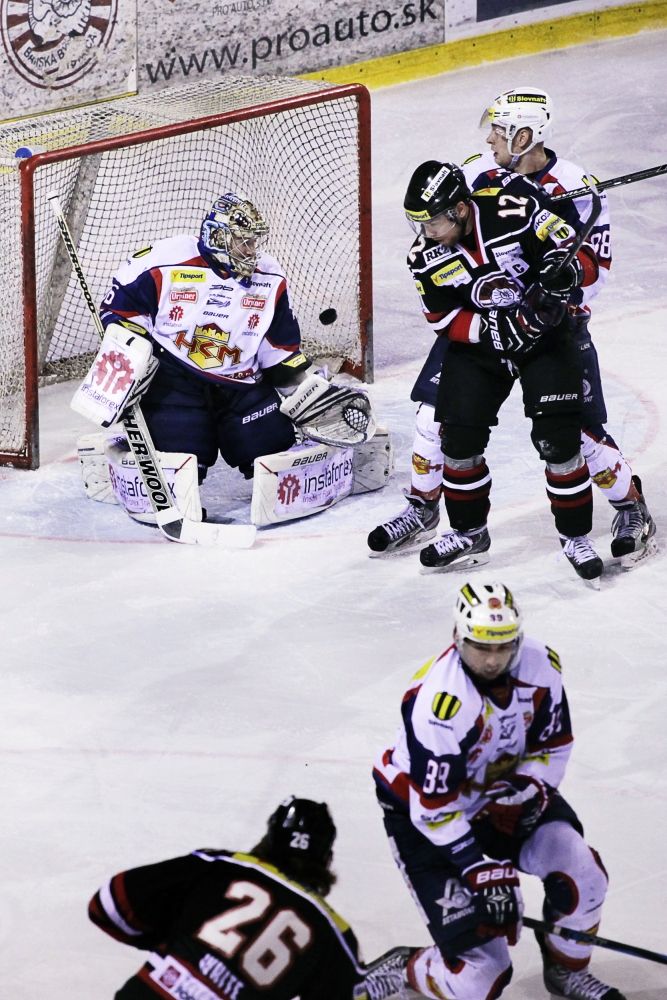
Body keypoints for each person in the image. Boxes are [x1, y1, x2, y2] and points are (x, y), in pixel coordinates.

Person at [373, 579, 626, 1000]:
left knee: (584, 875)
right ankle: (409, 966)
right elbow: (433, 806)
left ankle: (566, 971)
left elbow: (554, 744)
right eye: (481, 647)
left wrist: (532, 789)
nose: (493, 660)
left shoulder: (542, 665)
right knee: (480, 980)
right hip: (428, 814)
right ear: (457, 638)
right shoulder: (440, 702)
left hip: (499, 790)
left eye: (503, 646)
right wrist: (478, 868)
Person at [369, 160, 604, 583]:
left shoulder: (513, 209)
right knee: (457, 439)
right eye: (419, 223)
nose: (427, 233)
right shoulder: (424, 256)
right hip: (483, 346)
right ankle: (469, 534)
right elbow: (441, 318)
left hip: (548, 338)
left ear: (460, 209)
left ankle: (575, 538)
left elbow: (583, 255)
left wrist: (565, 274)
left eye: (434, 222)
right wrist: (492, 331)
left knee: (558, 442)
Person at [460, 86, 656, 565]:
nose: (490, 139)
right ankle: (429, 511)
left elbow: (596, 267)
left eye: (500, 131)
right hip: (490, 326)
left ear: (524, 136)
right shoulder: (475, 174)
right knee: (439, 419)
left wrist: (561, 284)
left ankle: (631, 506)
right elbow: (442, 228)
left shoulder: (576, 186)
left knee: (579, 435)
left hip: (552, 333)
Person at [89, 796, 409, 1000]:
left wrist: (178, 948)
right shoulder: (332, 932)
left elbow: (106, 906)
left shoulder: (219, 867)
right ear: (326, 861)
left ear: (267, 840)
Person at [98, 192, 309, 484]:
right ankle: (131, 458)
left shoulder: (269, 276)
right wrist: (133, 360)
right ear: (218, 238)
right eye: (243, 241)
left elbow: (279, 346)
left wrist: (304, 392)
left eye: (254, 241)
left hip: (243, 387)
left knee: (275, 457)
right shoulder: (166, 260)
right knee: (180, 469)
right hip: (176, 383)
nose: (251, 250)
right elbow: (120, 309)